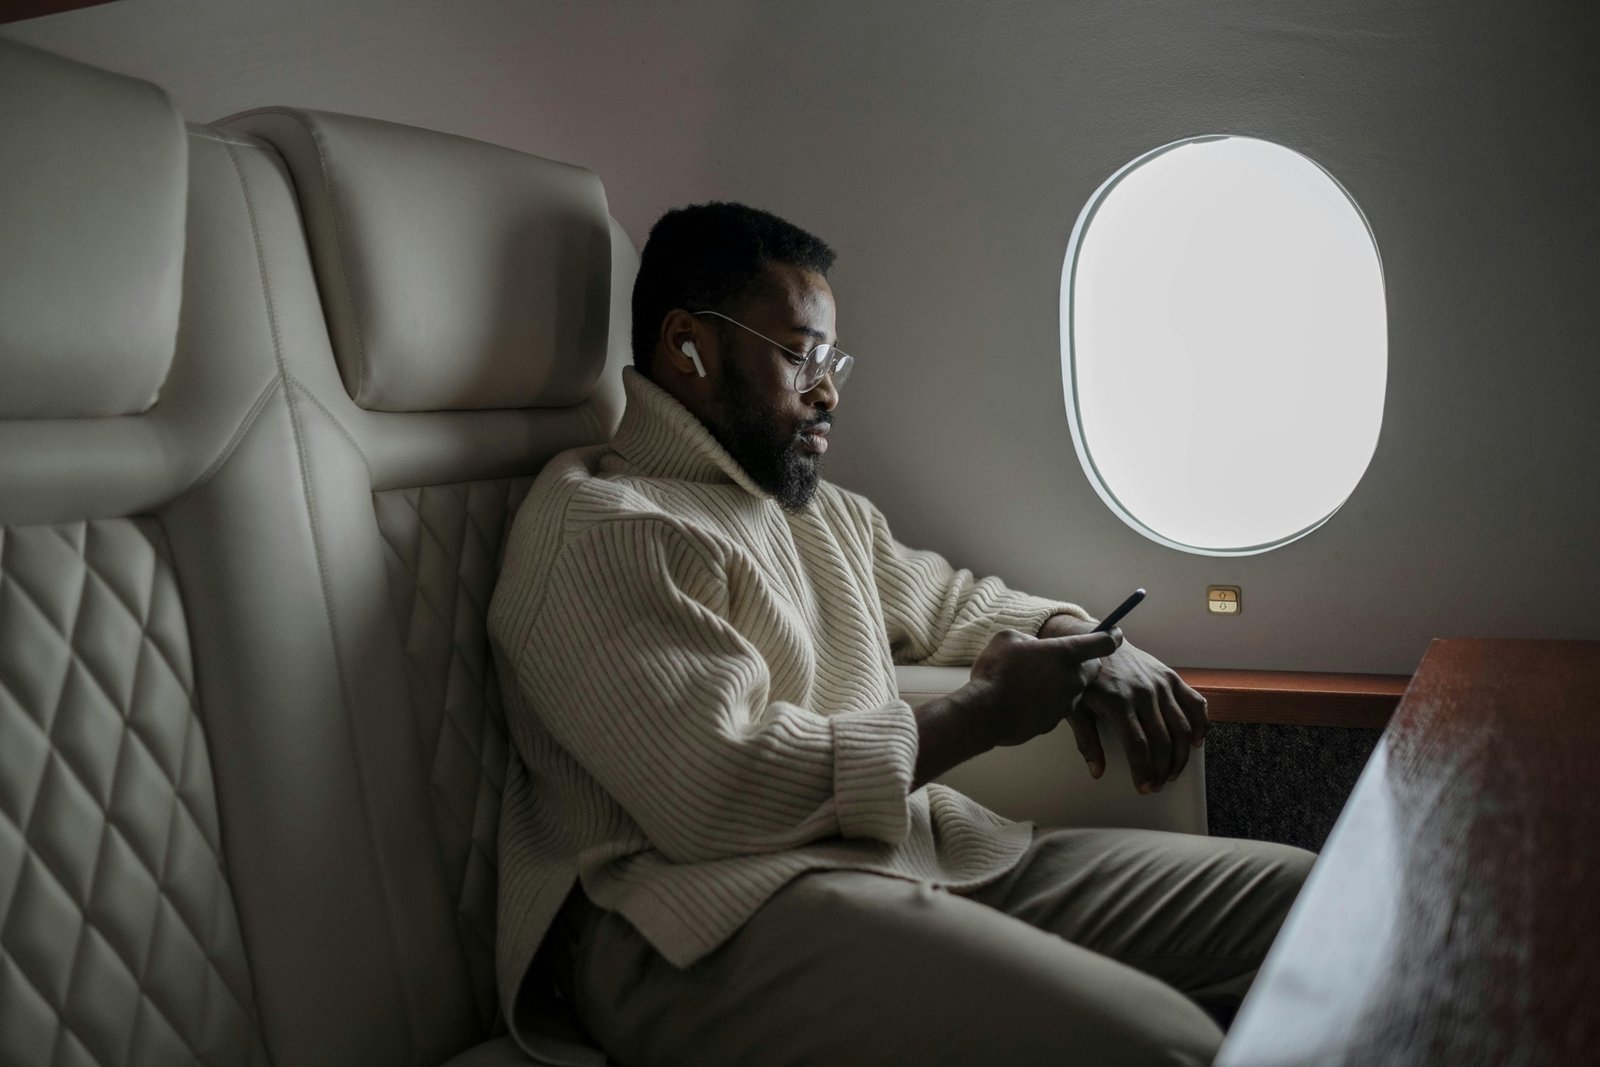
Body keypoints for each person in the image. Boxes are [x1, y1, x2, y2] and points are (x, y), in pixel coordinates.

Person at [487, 202, 1315, 1066]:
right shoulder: (603, 527)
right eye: (800, 355)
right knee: (1164, 1044)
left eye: (832, 359)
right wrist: (984, 712)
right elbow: (721, 793)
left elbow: (951, 601)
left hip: (901, 858)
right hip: (690, 921)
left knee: (1316, 910)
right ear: (688, 345)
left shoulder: (810, 509)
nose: (829, 389)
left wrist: (1085, 640)